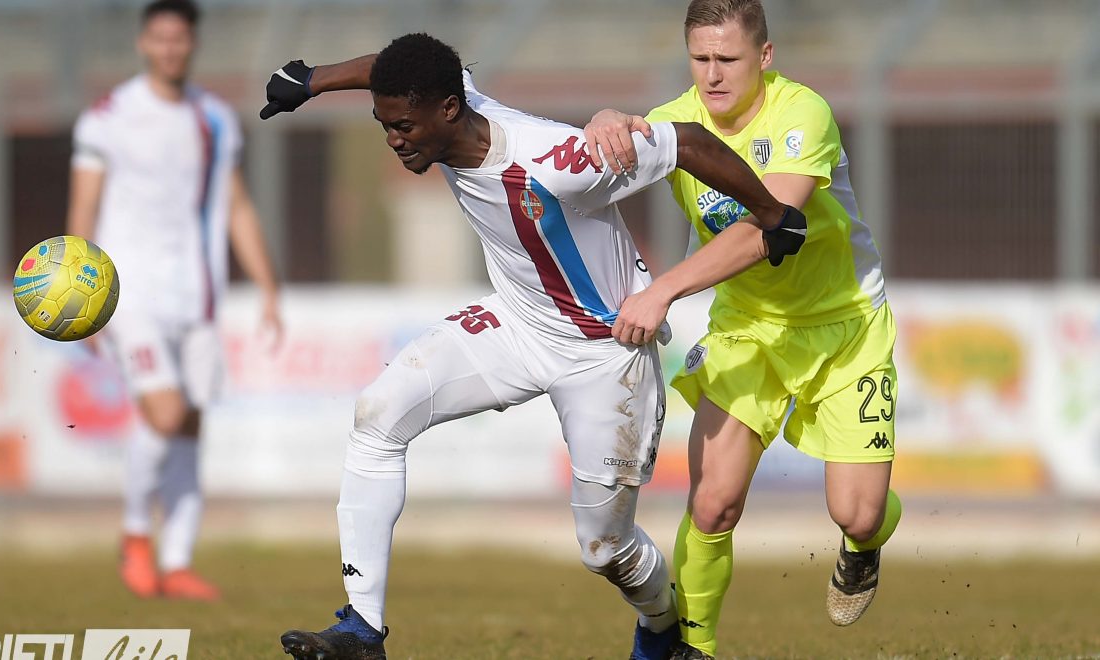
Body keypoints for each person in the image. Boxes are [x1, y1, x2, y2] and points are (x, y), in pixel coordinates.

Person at [260, 32, 805, 660]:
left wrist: (771, 214)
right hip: (517, 323)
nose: (395, 140)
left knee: (604, 549)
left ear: (447, 110)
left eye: (403, 126)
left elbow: (688, 142)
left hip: (605, 353)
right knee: (379, 413)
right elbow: (390, 68)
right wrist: (313, 79)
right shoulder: (446, 96)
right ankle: (362, 629)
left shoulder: (560, 162)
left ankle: (661, 631)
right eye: (385, 126)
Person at [582, 0, 901, 657]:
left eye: (727, 59)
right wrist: (604, 121)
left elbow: (769, 227)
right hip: (746, 330)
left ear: (765, 56)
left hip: (845, 328)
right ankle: (692, 647)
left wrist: (662, 290)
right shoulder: (675, 122)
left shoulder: (802, 114)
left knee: (858, 512)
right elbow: (595, 161)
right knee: (712, 505)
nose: (712, 74)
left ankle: (864, 546)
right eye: (700, 59)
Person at [67, 0, 282, 601]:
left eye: (179, 38)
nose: (170, 48)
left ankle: (178, 561)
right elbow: (83, 208)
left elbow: (236, 206)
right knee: (162, 413)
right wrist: (82, 294)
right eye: (160, 37)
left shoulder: (214, 117)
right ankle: (136, 534)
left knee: (189, 424)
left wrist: (268, 286)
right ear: (144, 42)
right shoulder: (108, 117)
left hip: (197, 295)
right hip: (127, 295)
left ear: (192, 44)